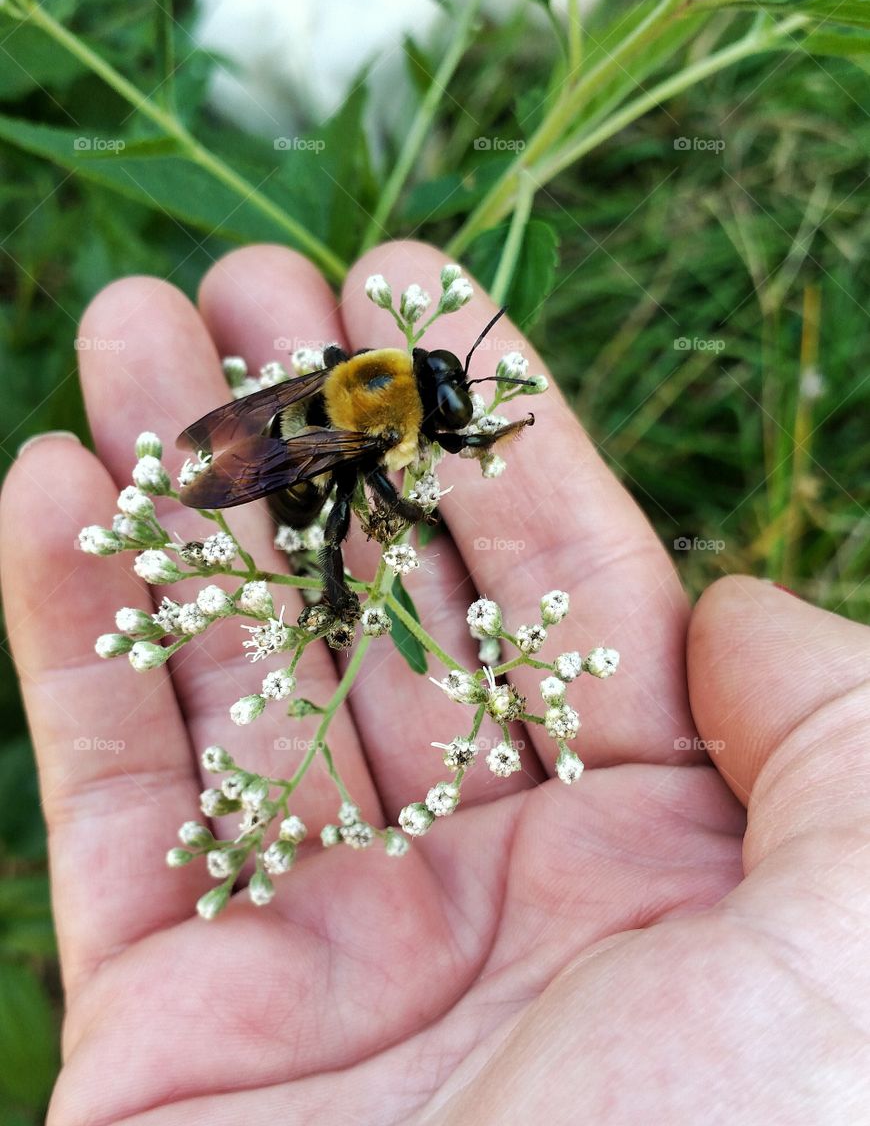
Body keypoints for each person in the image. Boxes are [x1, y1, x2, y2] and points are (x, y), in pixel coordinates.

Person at [2, 241, 868, 1124]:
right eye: (448, 405)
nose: (455, 407)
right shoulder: (373, 425)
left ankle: (328, 598)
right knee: (337, 518)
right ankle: (333, 600)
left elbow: (354, 398)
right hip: (295, 469)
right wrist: (401, 518)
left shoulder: (368, 379)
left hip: (294, 419)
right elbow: (367, 484)